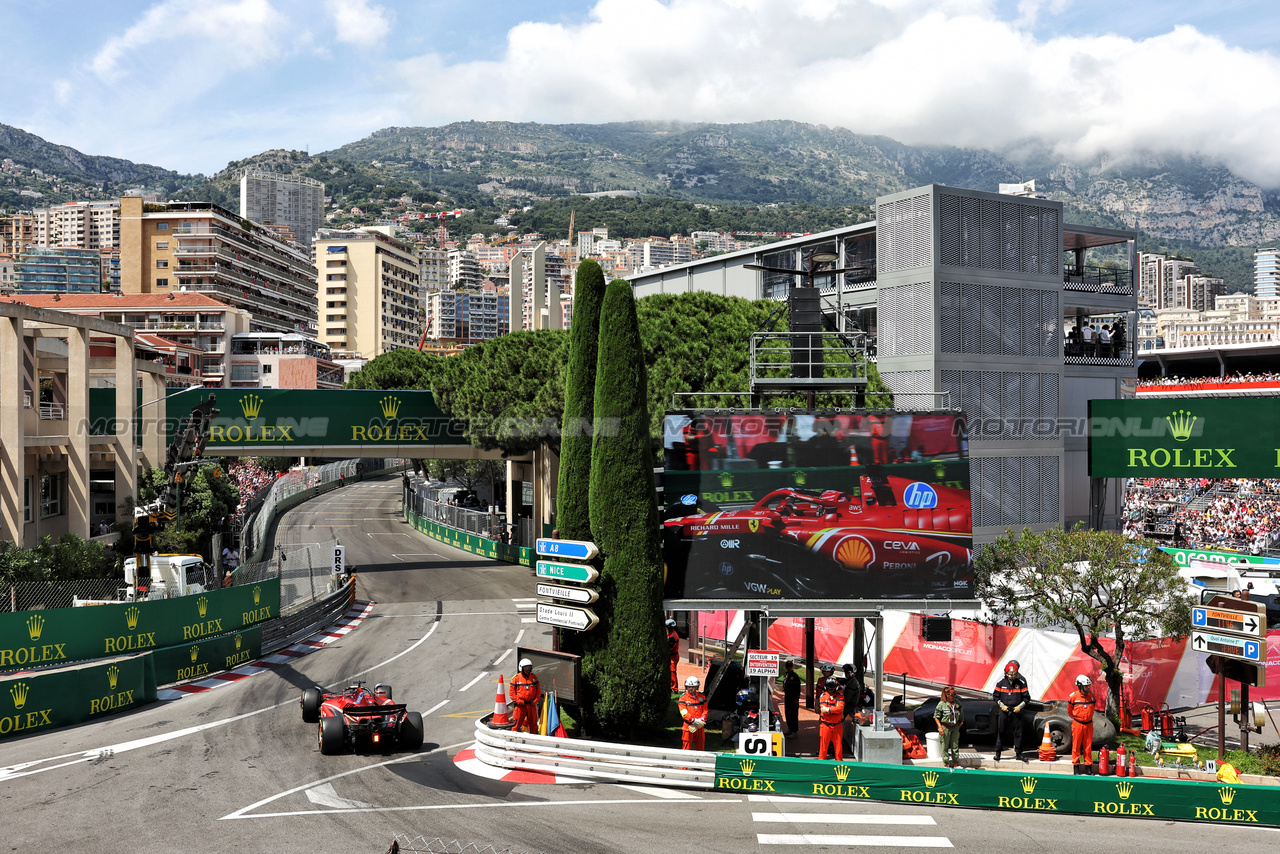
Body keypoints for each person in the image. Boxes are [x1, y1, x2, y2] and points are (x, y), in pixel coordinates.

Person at [992, 659, 1030, 761]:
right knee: (1001, 731)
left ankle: (1018, 753)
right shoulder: (1000, 683)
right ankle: (998, 753)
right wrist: (1001, 705)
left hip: (1017, 711)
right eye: (1010, 673)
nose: (1012, 676)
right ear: (1006, 673)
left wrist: (1020, 707)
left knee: (1018, 732)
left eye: (1014, 674)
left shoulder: (1021, 683)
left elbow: (1027, 698)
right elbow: (995, 696)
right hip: (1004, 710)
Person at [1068, 674, 1095, 775]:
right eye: (1086, 686)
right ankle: (1076, 767)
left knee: (1088, 746)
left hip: (1089, 725)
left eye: (1089, 686)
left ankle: (1088, 768)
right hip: (1077, 724)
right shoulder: (1073, 697)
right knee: (1076, 746)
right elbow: (1069, 711)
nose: (1088, 688)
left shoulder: (1092, 696)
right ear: (1080, 686)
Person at [934, 686, 963, 768]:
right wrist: (940, 728)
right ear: (947, 695)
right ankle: (946, 764)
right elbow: (936, 717)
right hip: (945, 727)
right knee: (945, 746)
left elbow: (961, 714)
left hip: (955, 727)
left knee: (955, 746)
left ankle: (956, 763)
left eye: (955, 694)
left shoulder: (957, 703)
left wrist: (961, 722)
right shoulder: (942, 704)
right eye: (952, 695)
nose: (954, 696)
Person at [510, 658, 541, 733]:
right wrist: (520, 701)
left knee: (533, 725)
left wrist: (535, 701)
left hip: (531, 705)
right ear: (521, 668)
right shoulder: (516, 679)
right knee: (516, 725)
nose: (528, 670)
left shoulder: (534, 678)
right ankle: (513, 740)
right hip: (520, 706)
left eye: (529, 668)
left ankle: (533, 741)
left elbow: (538, 691)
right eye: (526, 668)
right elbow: (512, 693)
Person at [818, 677, 845, 760]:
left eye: (833, 688)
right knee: (823, 748)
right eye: (829, 688)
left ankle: (839, 766)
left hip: (837, 725)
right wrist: (834, 709)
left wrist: (829, 709)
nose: (831, 690)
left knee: (838, 749)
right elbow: (823, 710)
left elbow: (840, 708)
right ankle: (821, 767)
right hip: (825, 725)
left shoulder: (840, 695)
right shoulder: (823, 696)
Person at [678, 675, 709, 751]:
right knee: (686, 747)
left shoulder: (702, 697)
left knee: (700, 746)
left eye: (693, 687)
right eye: (688, 687)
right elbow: (684, 713)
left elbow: (705, 710)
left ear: (697, 687)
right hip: (688, 727)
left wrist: (701, 720)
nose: (690, 689)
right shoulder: (683, 698)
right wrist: (694, 721)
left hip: (700, 726)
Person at [782, 660, 801, 737]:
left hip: (793, 698)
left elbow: (798, 688)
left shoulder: (795, 676)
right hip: (787, 697)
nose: (788, 668)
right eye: (787, 666)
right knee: (788, 713)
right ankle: (790, 728)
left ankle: (794, 731)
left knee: (793, 714)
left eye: (790, 666)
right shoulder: (786, 675)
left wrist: (797, 699)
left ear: (793, 667)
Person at [666, 618, 681, 694]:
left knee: (672, 672)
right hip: (672, 655)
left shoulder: (672, 636)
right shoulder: (670, 634)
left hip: (673, 656)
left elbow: (670, 648)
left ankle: (674, 689)